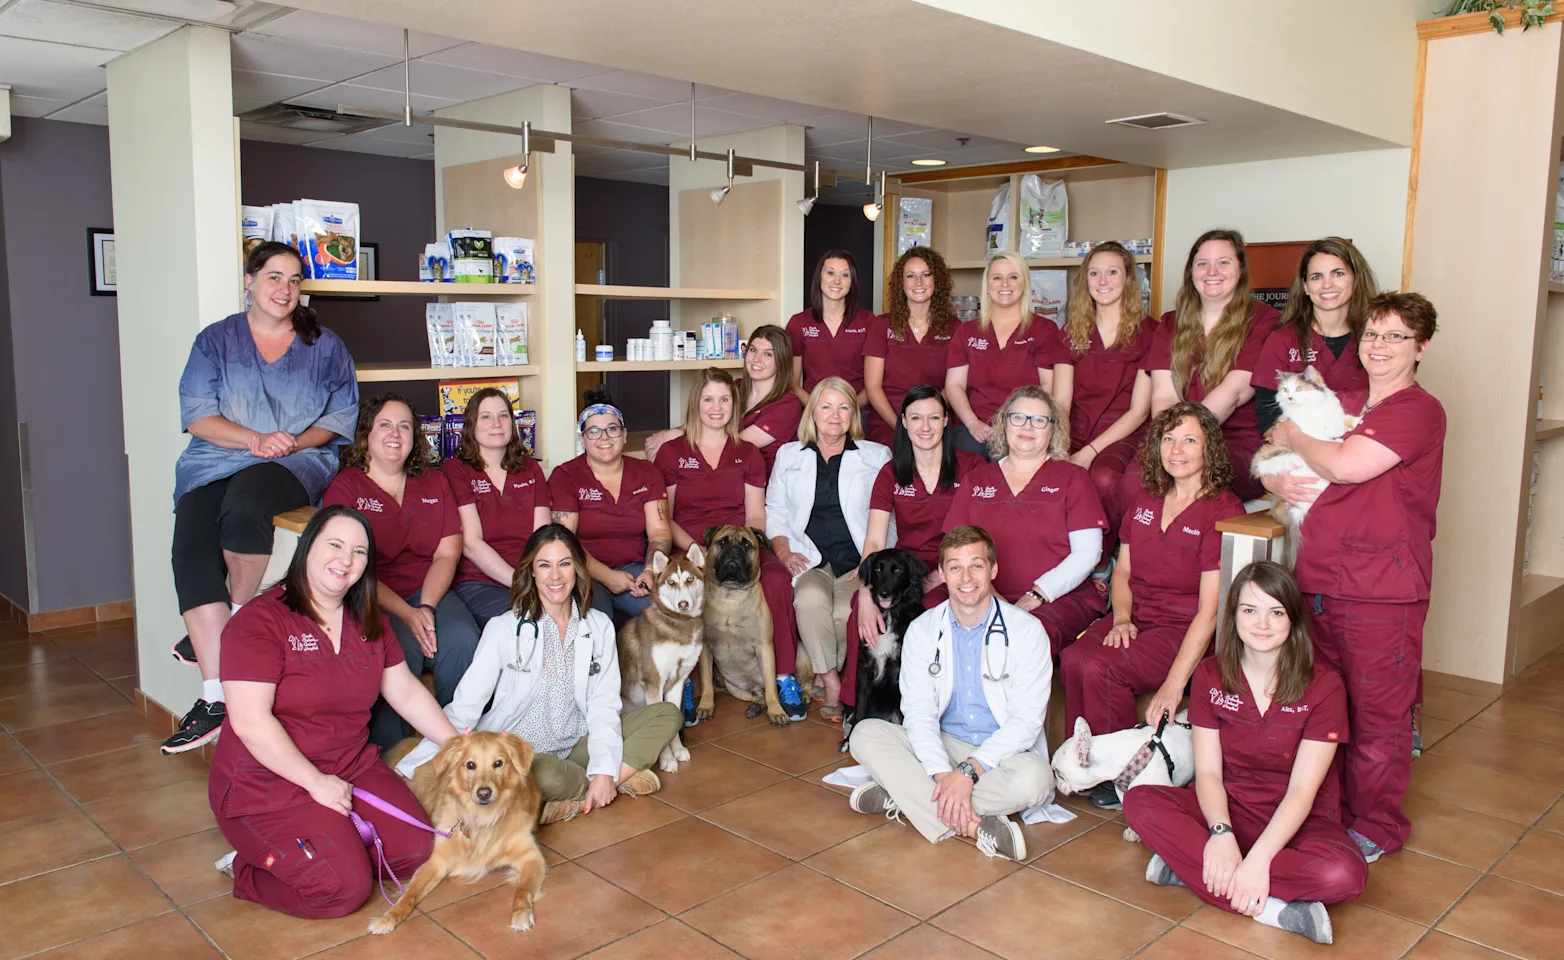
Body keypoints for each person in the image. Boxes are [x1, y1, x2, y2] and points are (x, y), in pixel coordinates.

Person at [1262, 292, 1444, 864]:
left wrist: (1295, 439)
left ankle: (1377, 826)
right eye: (1372, 334)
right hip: (1320, 579)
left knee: (1378, 715)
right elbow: (1271, 441)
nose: (1380, 346)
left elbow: (1343, 465)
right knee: (1326, 707)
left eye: (1396, 336)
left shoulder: (1418, 410)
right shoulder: (1348, 402)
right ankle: (1328, 814)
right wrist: (1277, 478)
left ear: (1421, 347)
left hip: (1381, 591)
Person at [209, 505, 460, 918]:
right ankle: (246, 866)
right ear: (307, 548)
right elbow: (251, 722)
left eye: (359, 552)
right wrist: (315, 782)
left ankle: (329, 846)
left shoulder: (368, 620)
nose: (346, 560)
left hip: (350, 767)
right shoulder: (259, 622)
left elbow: (406, 692)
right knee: (341, 889)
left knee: (417, 849)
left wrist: (457, 746)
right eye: (335, 545)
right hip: (268, 783)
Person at [164, 240, 358, 755]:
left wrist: (290, 442)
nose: (285, 290)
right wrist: (253, 440)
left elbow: (339, 419)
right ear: (248, 281)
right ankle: (214, 696)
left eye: (295, 281)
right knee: (192, 539)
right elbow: (198, 416)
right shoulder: (216, 341)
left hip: (296, 461)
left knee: (247, 506)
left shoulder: (326, 346)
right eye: (274, 277)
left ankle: (233, 619)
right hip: (217, 457)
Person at [1124, 561, 1366, 946]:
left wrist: (1258, 861)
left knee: (1343, 875)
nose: (1262, 624)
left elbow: (1303, 790)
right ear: (1233, 615)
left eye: (1276, 612)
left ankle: (1194, 869)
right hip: (1231, 808)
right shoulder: (1209, 675)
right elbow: (1208, 774)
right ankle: (1274, 910)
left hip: (1300, 820)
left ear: (1293, 619)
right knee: (1139, 802)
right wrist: (1220, 833)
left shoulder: (1325, 686)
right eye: (1250, 610)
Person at [393, 524, 681, 825]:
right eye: (544, 565)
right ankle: (602, 784)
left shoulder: (598, 626)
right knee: (545, 773)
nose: (555, 576)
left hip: (578, 742)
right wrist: (411, 765)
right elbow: (465, 706)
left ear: (578, 569)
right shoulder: (505, 628)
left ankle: (596, 786)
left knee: (666, 716)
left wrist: (606, 772)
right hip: (524, 755)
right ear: (531, 571)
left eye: (564, 564)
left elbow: (604, 705)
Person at [1060, 403, 1243, 808]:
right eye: (1168, 438)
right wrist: (1121, 617)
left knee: (1099, 666)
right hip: (1135, 616)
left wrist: (1173, 686)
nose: (1176, 449)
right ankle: (1083, 760)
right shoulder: (1146, 498)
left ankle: (1122, 770)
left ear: (1208, 449)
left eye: (1189, 440)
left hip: (1183, 628)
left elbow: (1211, 610)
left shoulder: (1222, 509)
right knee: (1073, 657)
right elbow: (1121, 573)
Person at [848, 525, 1055, 862]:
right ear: (942, 574)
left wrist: (969, 772)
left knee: (1036, 781)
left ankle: (904, 797)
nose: (966, 577)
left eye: (976, 565)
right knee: (865, 734)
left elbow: (1027, 722)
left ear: (993, 569)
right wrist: (947, 776)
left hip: (1001, 752)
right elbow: (918, 713)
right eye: (955, 567)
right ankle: (977, 828)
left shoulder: (1027, 631)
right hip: (944, 743)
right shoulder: (923, 630)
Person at [323, 394, 480, 749]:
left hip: (430, 590)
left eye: (405, 426)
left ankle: (455, 748)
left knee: (461, 640)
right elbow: (349, 567)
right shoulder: (346, 486)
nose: (396, 434)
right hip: (371, 595)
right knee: (398, 652)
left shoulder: (433, 481)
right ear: (365, 435)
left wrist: (425, 607)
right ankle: (391, 757)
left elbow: (447, 552)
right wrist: (407, 613)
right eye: (385, 425)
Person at [653, 368, 808, 721]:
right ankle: (689, 683)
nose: (717, 407)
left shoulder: (748, 452)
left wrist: (744, 548)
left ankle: (783, 677)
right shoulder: (672, 452)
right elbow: (667, 517)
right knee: (684, 588)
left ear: (734, 405)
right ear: (696, 403)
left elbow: (755, 516)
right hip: (690, 546)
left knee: (777, 580)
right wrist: (699, 553)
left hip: (740, 543)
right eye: (709, 399)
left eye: (724, 399)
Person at [843, 386, 984, 711]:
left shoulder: (971, 467)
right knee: (860, 611)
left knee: (934, 615)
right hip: (906, 571)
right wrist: (866, 592)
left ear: (946, 421)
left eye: (934, 418)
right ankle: (855, 708)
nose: (925, 426)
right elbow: (875, 541)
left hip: (955, 569)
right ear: (903, 423)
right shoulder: (891, 472)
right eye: (916, 418)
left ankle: (928, 709)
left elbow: (977, 534)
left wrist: (945, 576)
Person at [944, 386, 1106, 655]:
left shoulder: (1073, 477)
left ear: (1052, 430)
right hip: (981, 591)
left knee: (1022, 636)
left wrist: (1038, 594)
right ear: (1004, 423)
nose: (1027, 426)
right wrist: (989, 596)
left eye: (1039, 420)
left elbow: (1088, 553)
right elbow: (955, 548)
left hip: (1057, 599)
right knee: (932, 618)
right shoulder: (977, 479)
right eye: (1018, 417)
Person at [766, 377, 892, 719]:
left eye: (843, 407)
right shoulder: (789, 454)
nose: (834, 415)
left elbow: (888, 518)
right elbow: (774, 512)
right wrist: (783, 551)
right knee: (808, 600)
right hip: (810, 558)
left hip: (859, 559)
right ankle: (832, 682)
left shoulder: (877, 455)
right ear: (813, 413)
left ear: (853, 414)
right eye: (826, 406)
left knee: (844, 612)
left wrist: (874, 563)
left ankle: (823, 672)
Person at [1144, 229, 1280, 501]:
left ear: (1240, 269)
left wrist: (1185, 442)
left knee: (1201, 482)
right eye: (1202, 263)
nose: (1211, 271)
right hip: (1173, 437)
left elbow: (1235, 392)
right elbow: (1163, 395)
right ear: (1191, 272)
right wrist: (1170, 443)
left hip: (1235, 441)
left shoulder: (1265, 320)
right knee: (1134, 484)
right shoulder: (1170, 322)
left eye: (1223, 262)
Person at [1051, 241, 1156, 547]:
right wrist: (1062, 447)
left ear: (1128, 279)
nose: (1103, 281)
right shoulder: (1070, 332)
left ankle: (1104, 562)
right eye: (1094, 273)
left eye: (1112, 272)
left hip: (1124, 433)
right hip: (1077, 428)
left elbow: (1139, 410)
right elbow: (1060, 401)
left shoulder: (1150, 332)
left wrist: (1087, 453)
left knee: (1105, 477)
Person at [549, 403, 673, 624]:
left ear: (624, 435)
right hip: (583, 572)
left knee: (669, 612)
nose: (604, 437)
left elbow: (660, 531)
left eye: (612, 429)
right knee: (595, 623)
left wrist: (651, 571)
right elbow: (563, 542)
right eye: (593, 431)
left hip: (635, 569)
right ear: (582, 438)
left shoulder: (647, 472)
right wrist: (607, 576)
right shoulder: (565, 476)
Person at [443, 388, 551, 630]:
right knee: (528, 622)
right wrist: (522, 585)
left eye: (503, 416)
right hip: (479, 582)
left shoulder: (530, 469)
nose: (497, 424)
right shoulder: (456, 470)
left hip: (532, 577)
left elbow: (542, 538)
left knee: (577, 615)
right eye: (486, 417)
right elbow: (471, 543)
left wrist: (543, 580)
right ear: (471, 425)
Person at [1253, 237, 1378, 435]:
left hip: (1365, 447)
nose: (1327, 284)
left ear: (1355, 278)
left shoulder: (1377, 339)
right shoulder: (1282, 339)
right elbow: (1268, 419)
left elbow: (1394, 402)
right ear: (1305, 286)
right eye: (1316, 277)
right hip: (1302, 452)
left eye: (1338, 274)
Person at [946, 251, 1064, 458]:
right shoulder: (967, 332)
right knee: (965, 459)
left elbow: (1048, 386)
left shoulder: (1044, 330)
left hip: (1024, 426)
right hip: (975, 426)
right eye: (997, 277)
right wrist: (972, 422)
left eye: (1013, 277)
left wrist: (1021, 425)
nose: (1005, 284)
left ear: (1024, 283)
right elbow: (955, 385)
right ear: (987, 285)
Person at [645, 325, 803, 478]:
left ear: (781, 360)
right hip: (722, 473)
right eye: (753, 350)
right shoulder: (737, 387)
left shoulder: (788, 406)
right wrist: (673, 433)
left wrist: (674, 437)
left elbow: (735, 445)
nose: (757, 359)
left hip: (758, 486)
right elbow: (705, 418)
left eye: (768, 354)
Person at [863, 247, 957, 445]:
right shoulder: (881, 325)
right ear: (901, 283)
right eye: (911, 276)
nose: (919, 282)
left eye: (926, 275)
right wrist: (899, 425)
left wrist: (928, 422)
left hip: (936, 422)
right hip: (889, 421)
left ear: (936, 280)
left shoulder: (955, 328)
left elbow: (954, 385)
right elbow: (873, 387)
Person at [787, 249, 876, 411]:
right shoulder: (799, 323)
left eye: (845, 275)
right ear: (819, 277)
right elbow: (792, 384)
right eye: (830, 273)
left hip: (858, 411)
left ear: (852, 281)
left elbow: (876, 383)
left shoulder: (869, 321)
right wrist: (820, 409)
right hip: (813, 411)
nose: (837, 280)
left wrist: (847, 409)